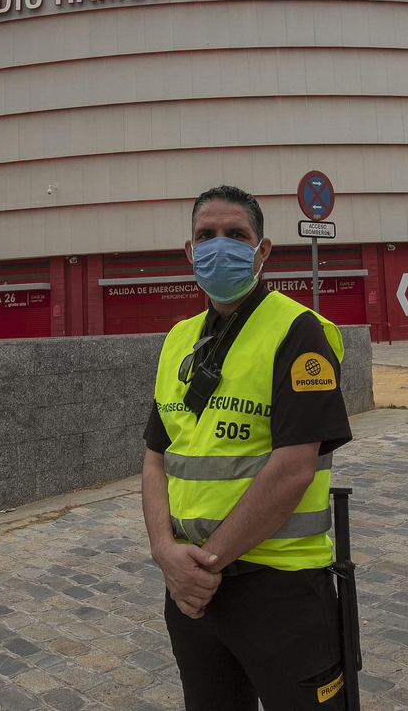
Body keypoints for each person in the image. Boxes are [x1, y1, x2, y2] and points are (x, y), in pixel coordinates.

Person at [142, 185, 353, 710]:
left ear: (263, 251)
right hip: (193, 596)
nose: (219, 247)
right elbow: (155, 455)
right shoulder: (178, 340)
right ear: (189, 252)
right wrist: (165, 553)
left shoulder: (300, 332)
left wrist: (201, 566)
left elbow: (293, 470)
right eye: (205, 236)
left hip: (280, 589)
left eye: (236, 235)